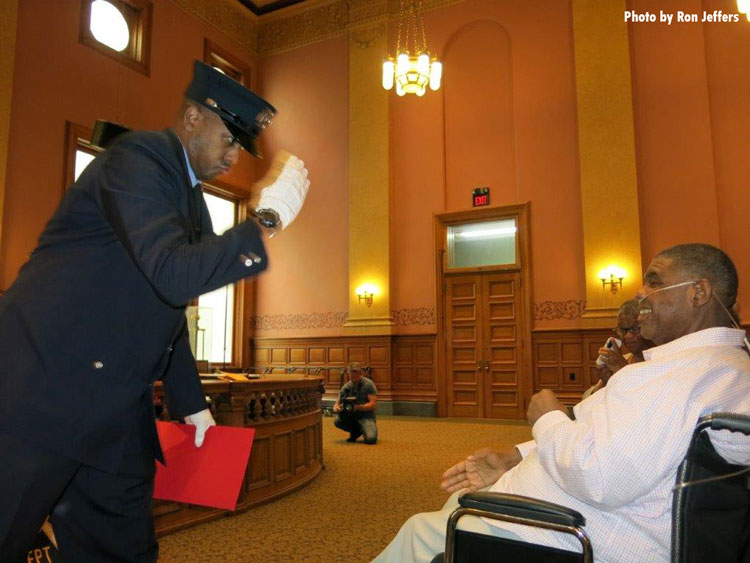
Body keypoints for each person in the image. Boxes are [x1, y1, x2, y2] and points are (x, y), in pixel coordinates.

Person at [0, 60, 310, 561]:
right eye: (229, 138)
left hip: (115, 408)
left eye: (241, 146)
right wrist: (266, 220)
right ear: (192, 117)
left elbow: (167, 308)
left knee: (123, 549)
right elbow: (174, 274)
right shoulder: (136, 159)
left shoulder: (190, 198)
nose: (235, 154)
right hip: (42, 392)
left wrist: (191, 402)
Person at [374, 243, 750, 562]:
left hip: (576, 534)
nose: (640, 293)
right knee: (460, 496)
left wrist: (548, 417)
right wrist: (515, 457)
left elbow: (600, 479)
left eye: (654, 281)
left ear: (698, 293)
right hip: (597, 514)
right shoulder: (722, 366)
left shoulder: (672, 378)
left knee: (419, 531)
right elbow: (608, 439)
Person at [581, 298, 654, 399]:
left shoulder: (660, 361)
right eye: (623, 330)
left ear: (650, 327)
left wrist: (623, 370)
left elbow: (649, 401)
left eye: (634, 329)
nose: (627, 336)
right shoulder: (622, 359)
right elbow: (586, 400)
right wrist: (605, 383)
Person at [333, 363, 378, 444]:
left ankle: (363, 429)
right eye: (351, 373)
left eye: (355, 372)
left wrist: (358, 407)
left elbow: (373, 404)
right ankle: (356, 431)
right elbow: (337, 403)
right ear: (348, 374)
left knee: (371, 440)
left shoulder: (369, 384)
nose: (353, 375)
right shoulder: (345, 387)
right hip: (351, 416)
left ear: (360, 373)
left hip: (366, 416)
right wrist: (336, 408)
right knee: (337, 421)